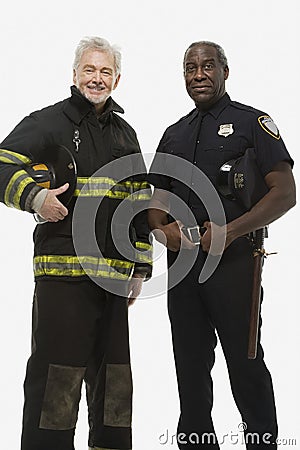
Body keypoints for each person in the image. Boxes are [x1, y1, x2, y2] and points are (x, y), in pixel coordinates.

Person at [0, 36, 152, 450]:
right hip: (63, 282)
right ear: (74, 74)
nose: (96, 79)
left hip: (113, 284)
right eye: (89, 70)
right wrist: (36, 197)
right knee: (56, 387)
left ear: (117, 79)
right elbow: (2, 162)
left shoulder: (126, 135)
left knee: (114, 389)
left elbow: (138, 202)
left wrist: (140, 266)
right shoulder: (49, 122)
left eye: (105, 72)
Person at [148, 41, 296, 449]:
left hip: (234, 263)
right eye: (190, 68)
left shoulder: (253, 123)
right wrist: (164, 232)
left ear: (225, 71)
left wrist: (230, 231)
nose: (199, 74)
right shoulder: (173, 134)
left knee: (245, 366)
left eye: (208, 66)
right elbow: (155, 204)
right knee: (190, 368)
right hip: (184, 267)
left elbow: (284, 193)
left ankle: (263, 444)